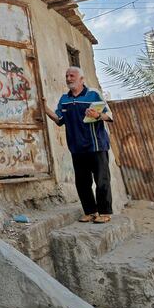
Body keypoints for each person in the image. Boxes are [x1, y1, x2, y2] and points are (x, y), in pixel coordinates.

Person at [44, 66, 114, 224]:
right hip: (76, 148)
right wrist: (46, 109)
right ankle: (90, 212)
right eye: (67, 75)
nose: (69, 78)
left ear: (81, 79)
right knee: (82, 183)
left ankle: (105, 212)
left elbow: (109, 116)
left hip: (96, 146)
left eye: (72, 75)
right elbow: (59, 120)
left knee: (102, 181)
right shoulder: (64, 99)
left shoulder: (93, 94)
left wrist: (97, 114)